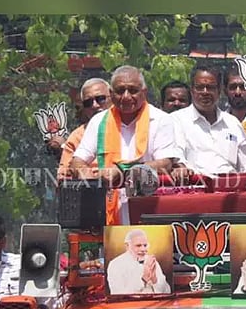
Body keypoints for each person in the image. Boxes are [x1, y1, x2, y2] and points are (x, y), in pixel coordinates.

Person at [71, 65, 178, 224]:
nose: (126, 97)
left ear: (144, 92)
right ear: (111, 94)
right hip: (108, 211)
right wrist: (84, 173)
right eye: (120, 91)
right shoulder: (99, 121)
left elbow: (166, 163)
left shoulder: (161, 120)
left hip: (150, 211)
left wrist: (123, 171)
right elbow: (77, 161)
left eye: (133, 90)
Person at [171, 65, 246, 180]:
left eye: (210, 87)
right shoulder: (177, 120)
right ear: (192, 90)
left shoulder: (233, 123)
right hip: (195, 187)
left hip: (230, 188)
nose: (205, 92)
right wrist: (180, 167)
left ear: (219, 90)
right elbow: (177, 156)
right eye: (200, 87)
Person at [57, 78, 111, 180]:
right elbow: (63, 176)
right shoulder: (77, 136)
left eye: (100, 99)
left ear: (113, 97)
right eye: (88, 103)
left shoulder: (127, 126)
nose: (95, 105)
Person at [106, 228, 171, 295]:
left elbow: (168, 291)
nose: (143, 249)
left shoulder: (152, 262)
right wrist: (143, 280)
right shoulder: (116, 264)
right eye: (138, 245)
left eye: (145, 245)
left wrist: (155, 280)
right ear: (127, 246)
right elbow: (117, 294)